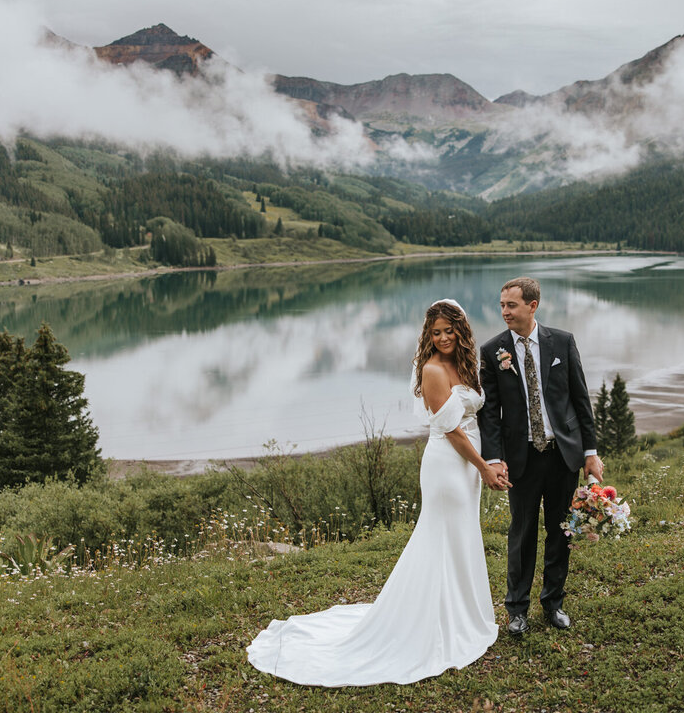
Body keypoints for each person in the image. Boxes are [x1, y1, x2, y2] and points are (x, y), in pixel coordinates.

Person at [246, 298, 507, 686]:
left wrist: (488, 461)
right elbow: (451, 430)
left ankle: (459, 612)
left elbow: (477, 414)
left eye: (448, 331)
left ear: (461, 330)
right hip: (449, 464)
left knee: (461, 535)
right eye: (435, 333)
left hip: (468, 464)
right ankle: (435, 621)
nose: (442, 338)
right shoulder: (434, 369)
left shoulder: (466, 364)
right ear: (428, 336)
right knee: (441, 535)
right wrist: (483, 466)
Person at [478, 276, 601, 636]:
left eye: (511, 305)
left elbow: (581, 400)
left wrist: (590, 453)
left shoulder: (562, 341)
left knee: (561, 531)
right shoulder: (492, 350)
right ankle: (517, 610)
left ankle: (553, 603)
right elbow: (491, 413)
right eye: (502, 305)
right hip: (522, 459)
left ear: (533, 306)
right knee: (522, 533)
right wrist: (495, 458)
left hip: (563, 455)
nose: (504, 311)